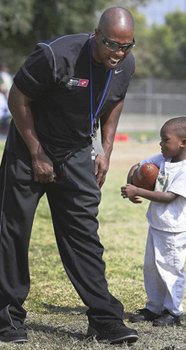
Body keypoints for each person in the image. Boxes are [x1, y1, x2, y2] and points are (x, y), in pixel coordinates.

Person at [0, 7, 139, 345]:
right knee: (13, 232)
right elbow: (18, 95)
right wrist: (36, 152)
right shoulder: (55, 55)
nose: (119, 53)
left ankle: (105, 319)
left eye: (126, 46)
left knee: (84, 235)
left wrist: (104, 149)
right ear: (96, 34)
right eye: (112, 45)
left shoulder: (124, 63)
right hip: (29, 147)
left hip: (76, 151)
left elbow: (115, 98)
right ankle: (7, 318)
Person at [121, 116, 186, 327]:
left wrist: (139, 190)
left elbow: (169, 197)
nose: (161, 144)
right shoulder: (164, 159)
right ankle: (154, 307)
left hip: (174, 231)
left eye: (165, 140)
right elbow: (140, 166)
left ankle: (173, 312)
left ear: (183, 142)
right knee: (152, 268)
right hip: (156, 225)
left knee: (171, 270)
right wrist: (132, 181)